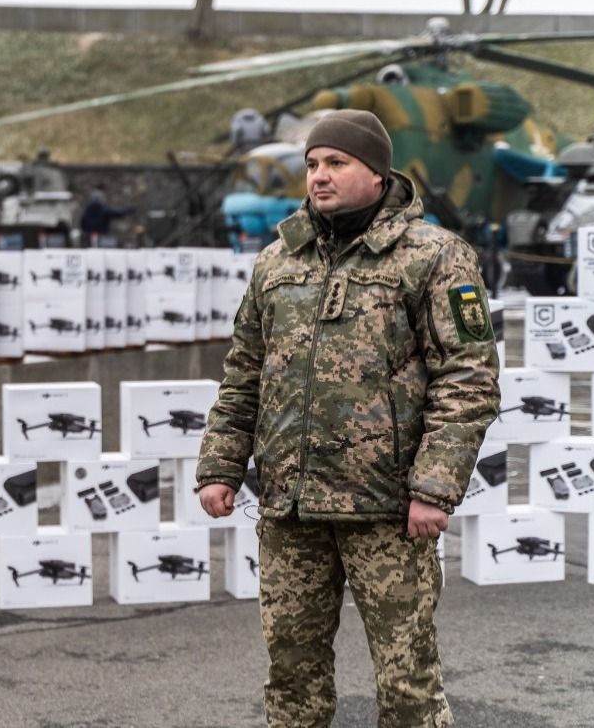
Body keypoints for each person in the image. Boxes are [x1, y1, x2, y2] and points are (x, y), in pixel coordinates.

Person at [197, 109, 500, 727]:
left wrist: (434, 488)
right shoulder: (278, 261)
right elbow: (245, 373)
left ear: (378, 173)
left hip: (388, 510)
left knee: (407, 681)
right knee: (291, 676)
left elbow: (469, 378)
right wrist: (220, 466)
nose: (319, 176)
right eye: (312, 164)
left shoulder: (435, 257)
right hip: (292, 509)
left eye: (337, 162)